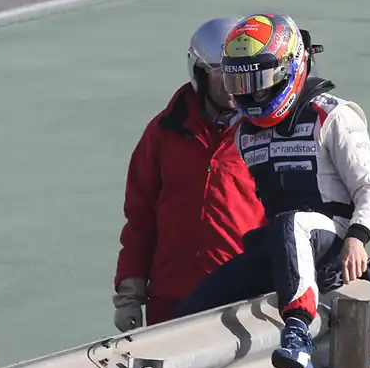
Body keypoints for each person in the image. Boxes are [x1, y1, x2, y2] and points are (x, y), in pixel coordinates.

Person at [173, 11, 370, 368]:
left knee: (293, 222)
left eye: (259, 79)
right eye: (239, 81)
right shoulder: (245, 131)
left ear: (289, 68)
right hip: (286, 245)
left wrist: (357, 239)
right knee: (195, 307)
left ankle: (298, 331)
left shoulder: (333, 116)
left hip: (333, 241)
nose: (249, 93)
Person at [112, 17, 268, 332]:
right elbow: (139, 218)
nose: (234, 86)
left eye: (242, 75)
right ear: (200, 75)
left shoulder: (268, 132)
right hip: (172, 303)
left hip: (246, 299)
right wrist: (130, 294)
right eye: (223, 75)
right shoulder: (162, 132)